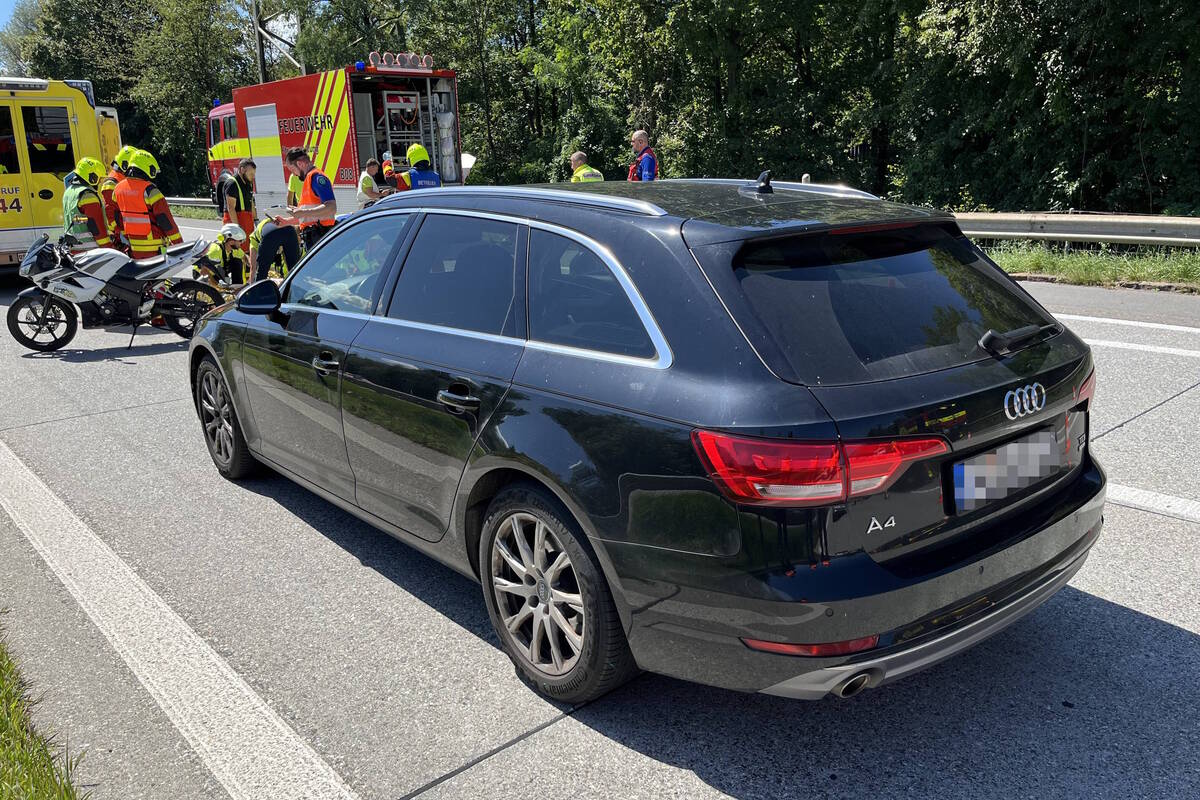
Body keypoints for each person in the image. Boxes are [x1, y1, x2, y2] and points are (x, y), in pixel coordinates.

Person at [113, 149, 183, 259]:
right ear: (147, 168)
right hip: (155, 250)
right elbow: (167, 222)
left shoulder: (117, 189)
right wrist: (180, 245)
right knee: (161, 276)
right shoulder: (150, 191)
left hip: (133, 250)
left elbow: (117, 220)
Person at [285, 146, 337, 250]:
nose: (294, 174)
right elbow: (309, 217)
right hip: (316, 235)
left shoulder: (317, 178)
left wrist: (302, 212)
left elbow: (331, 207)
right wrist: (285, 222)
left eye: (292, 169)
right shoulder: (310, 179)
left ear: (300, 164)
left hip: (320, 235)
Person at [62, 156, 112, 251]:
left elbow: (79, 219)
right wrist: (108, 247)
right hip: (90, 250)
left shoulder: (68, 192)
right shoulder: (88, 195)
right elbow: (96, 225)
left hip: (72, 248)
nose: (100, 182)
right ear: (92, 177)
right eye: (100, 178)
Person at [100, 144, 137, 250]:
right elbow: (110, 212)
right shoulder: (111, 182)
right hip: (120, 234)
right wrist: (118, 232)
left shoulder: (121, 179)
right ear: (125, 165)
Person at [248, 215, 302, 282]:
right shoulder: (265, 226)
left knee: (262, 273)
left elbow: (253, 268)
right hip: (290, 231)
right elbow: (288, 259)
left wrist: (250, 284)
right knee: (295, 270)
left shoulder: (253, 238)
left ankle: (256, 291)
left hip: (270, 234)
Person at [196, 223, 248, 287]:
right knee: (220, 289)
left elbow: (245, 258)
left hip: (218, 273)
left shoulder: (233, 249)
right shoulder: (215, 250)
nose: (242, 243)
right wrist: (218, 288)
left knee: (237, 262)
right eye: (240, 241)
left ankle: (237, 288)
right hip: (203, 276)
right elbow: (203, 271)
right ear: (231, 241)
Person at [223, 157, 257, 245]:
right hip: (235, 222)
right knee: (235, 253)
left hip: (247, 222)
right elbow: (231, 208)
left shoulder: (248, 182)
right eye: (251, 173)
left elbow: (251, 202)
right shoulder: (232, 183)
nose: (253, 176)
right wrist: (237, 229)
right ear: (242, 170)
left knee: (248, 250)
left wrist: (256, 219)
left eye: (254, 173)